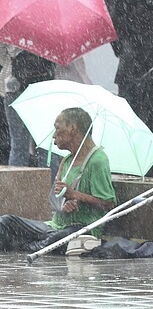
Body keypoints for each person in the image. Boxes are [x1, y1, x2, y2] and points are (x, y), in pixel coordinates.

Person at [0, 107, 116, 253]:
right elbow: (57, 198)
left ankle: (26, 247)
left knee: (61, 238)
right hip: (54, 226)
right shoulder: (67, 160)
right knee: (6, 222)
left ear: (73, 128)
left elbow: (108, 203)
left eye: (57, 129)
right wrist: (64, 204)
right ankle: (31, 246)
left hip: (81, 230)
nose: (54, 135)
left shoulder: (98, 160)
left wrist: (75, 195)